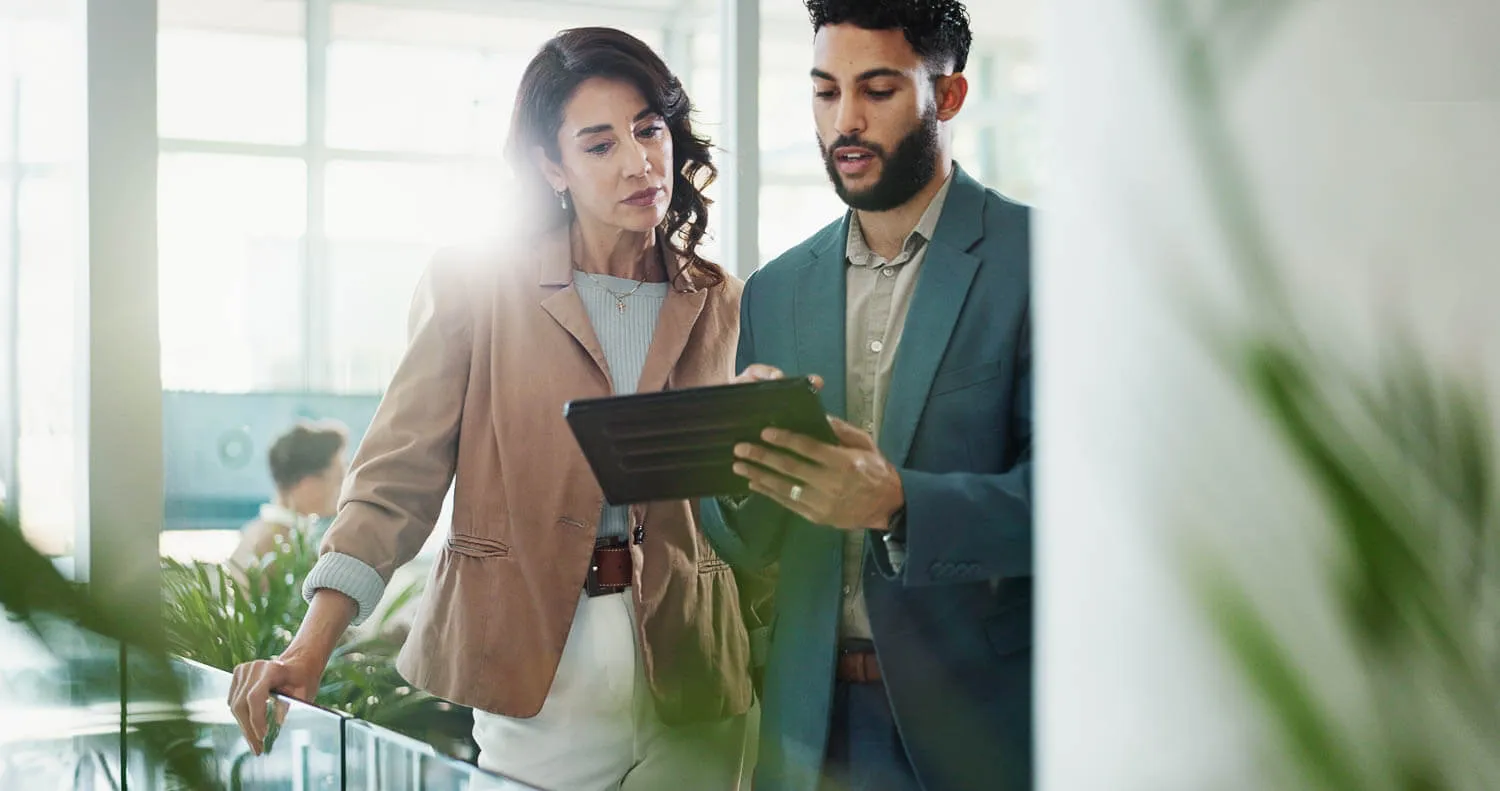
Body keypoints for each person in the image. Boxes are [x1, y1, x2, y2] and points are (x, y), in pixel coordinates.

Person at [227, 27, 754, 791]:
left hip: (699, 674)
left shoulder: (722, 300)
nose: (640, 161)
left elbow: (745, 499)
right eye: (599, 144)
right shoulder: (478, 284)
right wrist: (309, 646)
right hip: (537, 668)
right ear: (552, 167)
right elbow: (395, 482)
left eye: (649, 130)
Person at [700, 1, 1033, 790]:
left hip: (977, 727)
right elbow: (749, 545)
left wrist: (898, 504)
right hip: (808, 732)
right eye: (825, 92)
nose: (844, 121)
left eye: (877, 91)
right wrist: (742, 466)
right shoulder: (775, 292)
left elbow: (1079, 508)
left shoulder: (1038, 262)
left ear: (945, 97)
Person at [226, 420, 347, 573]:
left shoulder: (258, 532)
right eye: (338, 479)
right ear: (307, 485)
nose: (344, 490)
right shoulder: (280, 547)